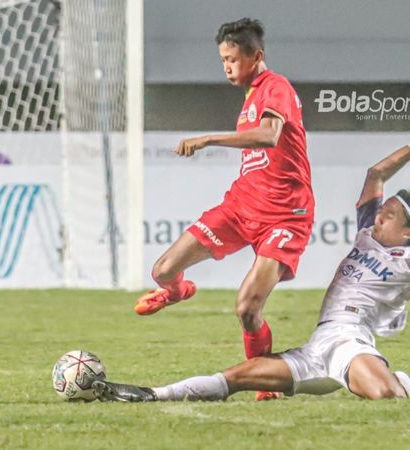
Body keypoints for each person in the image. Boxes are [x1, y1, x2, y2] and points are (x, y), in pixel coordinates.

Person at [95, 135, 410, 402]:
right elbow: (376, 174)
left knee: (385, 396)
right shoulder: (367, 232)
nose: (380, 214)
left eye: (390, 215)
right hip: (318, 347)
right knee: (236, 378)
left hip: (351, 341)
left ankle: (406, 384)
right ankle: (151, 394)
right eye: (383, 209)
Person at [133, 18, 313, 400]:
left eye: (232, 59)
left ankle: (266, 384)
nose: (227, 67)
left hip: (285, 215)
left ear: (256, 56)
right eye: (222, 60)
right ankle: (178, 291)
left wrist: (208, 138)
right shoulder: (250, 96)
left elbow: (269, 136)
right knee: (163, 270)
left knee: (248, 308)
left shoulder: (275, 87)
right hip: (241, 206)